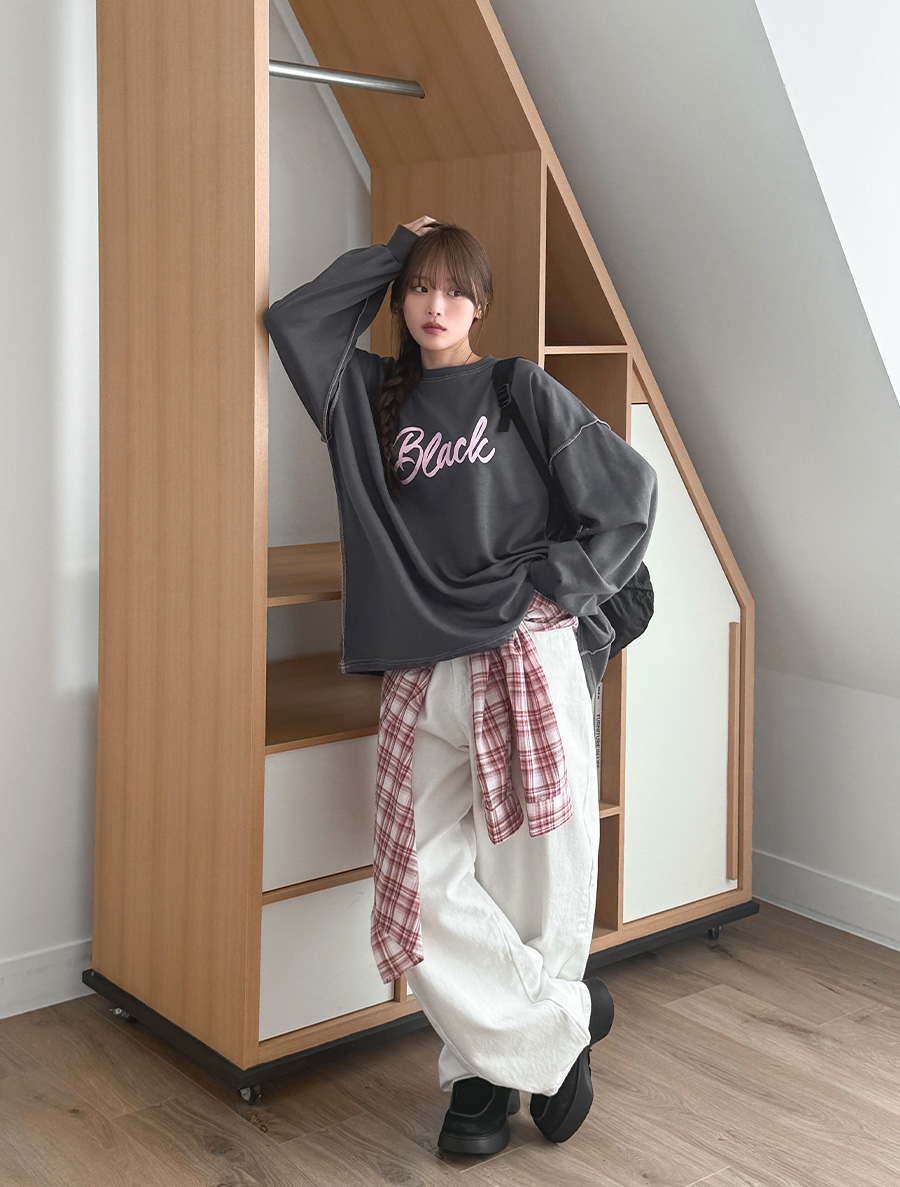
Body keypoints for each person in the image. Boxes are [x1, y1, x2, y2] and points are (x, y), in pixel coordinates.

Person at [263, 215, 658, 1155]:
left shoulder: (518, 387)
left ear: (481, 303)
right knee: (420, 878)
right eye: (418, 288)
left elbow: (627, 496)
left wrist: (548, 589)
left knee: (532, 874)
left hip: (521, 650)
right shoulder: (368, 396)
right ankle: (560, 1027)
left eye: (453, 289)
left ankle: (479, 1082)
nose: (434, 305)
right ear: (400, 297)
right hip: (419, 665)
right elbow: (296, 323)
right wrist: (394, 248)